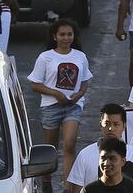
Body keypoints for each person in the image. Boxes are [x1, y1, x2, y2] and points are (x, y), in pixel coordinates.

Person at [28, 19, 93, 191]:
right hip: (50, 107)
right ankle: (47, 182)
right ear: (54, 36)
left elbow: (85, 81)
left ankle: (68, 187)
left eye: (69, 34)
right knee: (51, 149)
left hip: (73, 106)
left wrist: (79, 94)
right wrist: (56, 94)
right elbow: (35, 84)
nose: (66, 38)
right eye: (62, 34)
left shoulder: (80, 56)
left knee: (70, 144)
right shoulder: (45, 57)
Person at [67, 104, 133, 192]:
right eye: (107, 124)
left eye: (116, 124)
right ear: (101, 125)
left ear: (124, 126)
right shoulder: (85, 154)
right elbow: (76, 189)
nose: (111, 128)